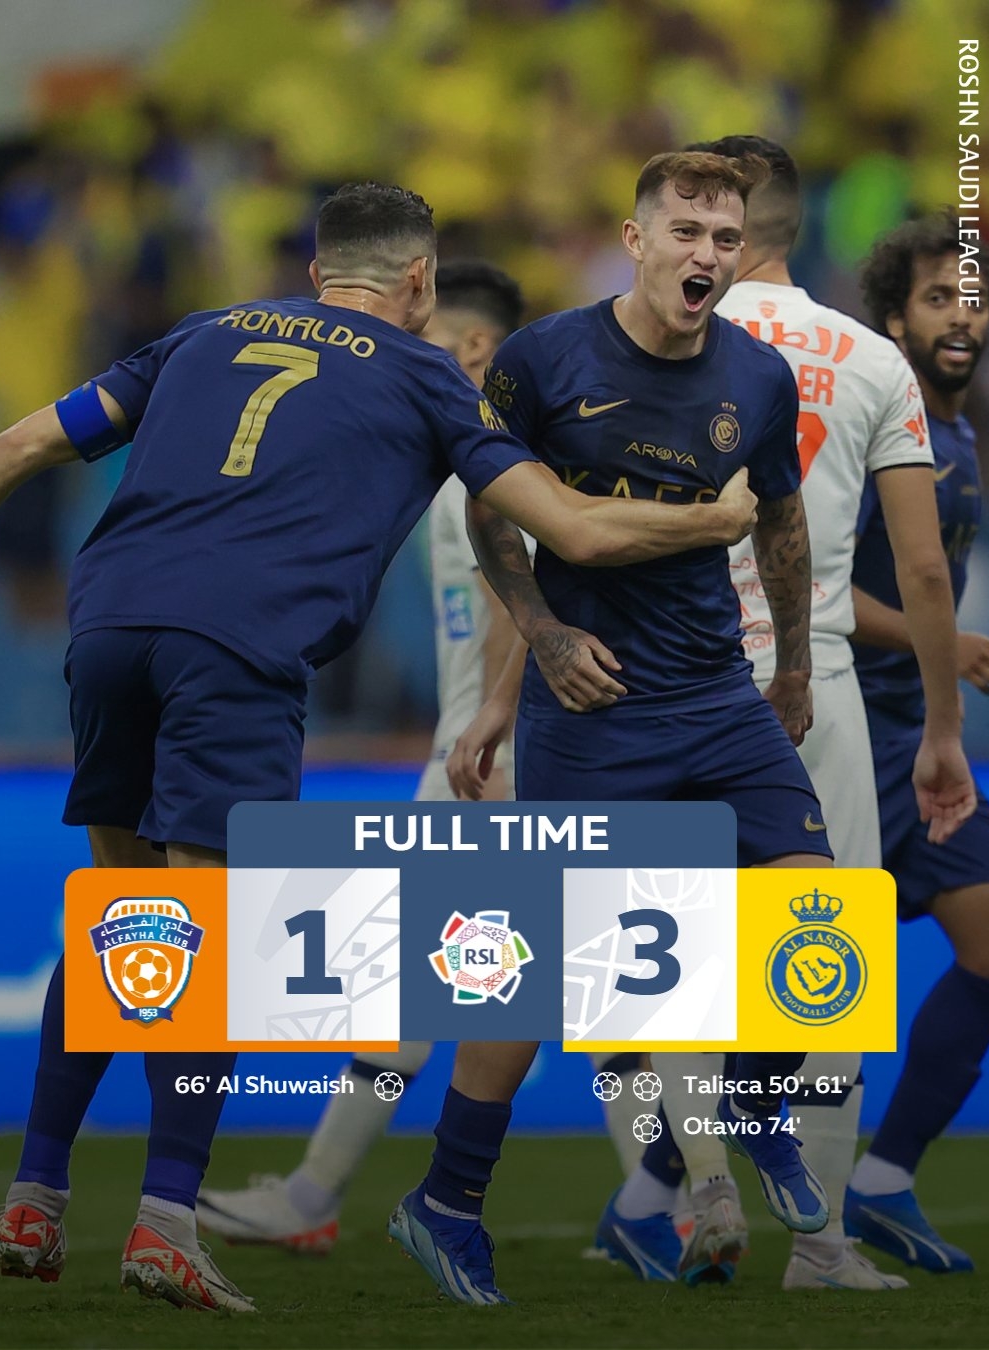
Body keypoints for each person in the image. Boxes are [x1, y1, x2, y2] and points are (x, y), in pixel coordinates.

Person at [0, 182, 760, 1313]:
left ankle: (37, 1192)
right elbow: (572, 528)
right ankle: (167, 1221)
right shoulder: (426, 374)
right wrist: (711, 520)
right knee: (211, 936)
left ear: (321, 271)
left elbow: (23, 441)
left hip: (111, 628)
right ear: (419, 279)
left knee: (120, 917)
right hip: (237, 649)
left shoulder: (203, 332)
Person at [391, 149, 853, 1306]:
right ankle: (446, 1199)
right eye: (685, 232)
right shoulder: (545, 359)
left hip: (716, 691)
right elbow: (494, 516)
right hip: (592, 705)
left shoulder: (758, 375)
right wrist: (543, 635)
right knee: (540, 973)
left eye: (724, 237)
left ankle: (752, 1106)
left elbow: (780, 527)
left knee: (821, 918)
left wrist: (793, 667)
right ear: (636, 241)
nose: (707, 255)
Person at [194, 262, 649, 1253]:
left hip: (490, 756)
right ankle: (667, 1201)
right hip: (515, 748)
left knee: (430, 982)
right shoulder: (468, 453)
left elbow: (517, 609)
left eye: (429, 341)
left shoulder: (496, 462)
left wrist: (488, 728)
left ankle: (315, 1195)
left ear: (476, 351)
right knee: (583, 988)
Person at [653, 136, 975, 1294]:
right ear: (803, 226)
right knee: (826, 961)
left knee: (674, 958)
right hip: (816, 682)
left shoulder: (646, 339)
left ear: (728, 226)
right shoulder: (872, 360)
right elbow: (924, 569)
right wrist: (942, 731)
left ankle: (701, 1191)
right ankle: (823, 1245)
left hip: (668, 679)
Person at [844, 209, 989, 1274]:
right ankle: (658, 1187)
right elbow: (817, 588)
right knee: (809, 980)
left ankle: (882, 1180)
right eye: (938, 298)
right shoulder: (871, 421)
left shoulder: (956, 431)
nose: (962, 318)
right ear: (894, 318)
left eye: (978, 299)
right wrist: (943, 642)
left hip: (920, 732)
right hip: (848, 730)